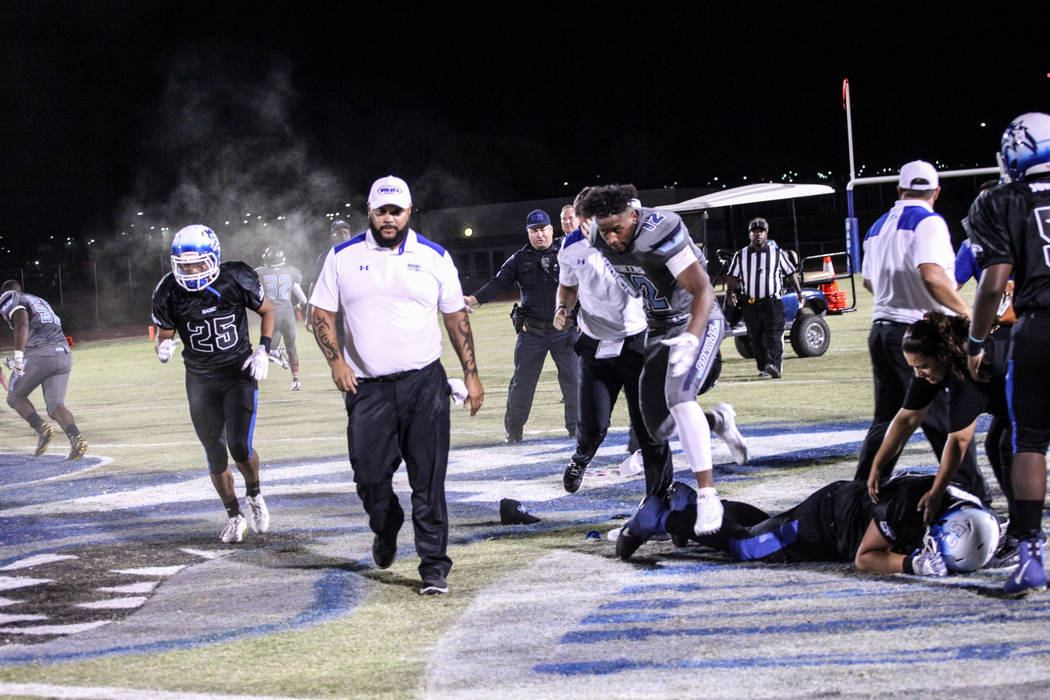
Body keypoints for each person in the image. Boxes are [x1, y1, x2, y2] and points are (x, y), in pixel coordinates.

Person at [310, 175, 483, 596]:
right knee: (369, 477)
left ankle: (433, 566)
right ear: (369, 212)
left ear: (409, 212)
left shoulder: (434, 256)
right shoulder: (342, 257)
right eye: (381, 211)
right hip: (367, 388)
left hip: (424, 384)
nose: (389, 218)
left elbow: (456, 317)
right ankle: (386, 524)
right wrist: (336, 362)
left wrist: (472, 373)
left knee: (428, 479)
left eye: (396, 211)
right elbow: (320, 313)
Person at [556, 194, 748, 495]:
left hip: (639, 336)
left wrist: (689, 333)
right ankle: (582, 458)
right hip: (597, 342)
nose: (601, 232)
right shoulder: (574, 245)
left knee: (652, 427)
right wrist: (563, 309)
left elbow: (696, 285)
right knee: (596, 422)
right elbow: (568, 285)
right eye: (589, 224)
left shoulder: (637, 236)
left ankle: (664, 495)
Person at [576, 184, 727, 543]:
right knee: (656, 429)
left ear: (633, 215)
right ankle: (716, 421)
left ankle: (708, 496)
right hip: (658, 327)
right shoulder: (597, 235)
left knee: (679, 396)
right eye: (605, 230)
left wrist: (692, 337)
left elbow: (703, 290)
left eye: (618, 229)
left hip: (696, 319)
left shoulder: (661, 230)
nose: (612, 238)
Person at [855, 160, 987, 503]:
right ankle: (974, 499)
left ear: (900, 190)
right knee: (946, 420)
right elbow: (932, 275)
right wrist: (966, 314)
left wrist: (896, 297)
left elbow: (868, 281)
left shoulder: (877, 226)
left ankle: (858, 498)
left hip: (881, 330)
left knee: (887, 420)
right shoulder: (929, 221)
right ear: (936, 192)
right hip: (918, 336)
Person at [966, 111, 1050, 596]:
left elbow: (994, 282)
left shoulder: (1000, 200)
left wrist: (976, 341)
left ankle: (1031, 558)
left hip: (1040, 329)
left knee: (1029, 442)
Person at [616, 474, 998, 579]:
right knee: (749, 546)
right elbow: (866, 557)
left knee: (766, 528)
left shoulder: (975, 515)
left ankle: (689, 503)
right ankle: (660, 517)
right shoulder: (904, 508)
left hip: (844, 508)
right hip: (829, 521)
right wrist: (910, 564)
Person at [151, 224, 276, 544]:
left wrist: (263, 349)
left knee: (240, 446)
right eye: (185, 266)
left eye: (198, 264)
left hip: (238, 374)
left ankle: (254, 494)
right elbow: (164, 334)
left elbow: (267, 311)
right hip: (200, 380)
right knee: (215, 453)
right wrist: (162, 347)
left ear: (213, 258)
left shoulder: (235, 277)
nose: (192, 271)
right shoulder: (168, 290)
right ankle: (234, 515)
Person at [865, 313, 1018, 569]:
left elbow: (959, 441)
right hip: (1015, 395)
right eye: (913, 367)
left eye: (922, 366)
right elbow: (906, 419)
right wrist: (878, 465)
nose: (918, 374)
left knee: (1008, 449)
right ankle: (1021, 525)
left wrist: (936, 492)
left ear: (943, 356)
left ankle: (1023, 534)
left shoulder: (966, 372)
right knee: (996, 446)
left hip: (1038, 383)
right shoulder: (934, 367)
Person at [465, 209, 577, 443]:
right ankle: (514, 430)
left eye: (543, 229)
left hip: (564, 331)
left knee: (574, 381)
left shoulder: (568, 250)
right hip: (532, 333)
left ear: (551, 229)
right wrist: (473, 299)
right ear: (528, 233)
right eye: (534, 231)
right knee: (522, 384)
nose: (539, 235)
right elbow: (498, 283)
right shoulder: (519, 259)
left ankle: (576, 430)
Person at [0, 280, 87, 460]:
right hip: (63, 353)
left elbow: (22, 323)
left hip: (41, 353)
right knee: (55, 405)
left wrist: (18, 357)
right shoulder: (38, 300)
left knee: (14, 396)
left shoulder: (9, 297)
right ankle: (77, 439)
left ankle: (42, 429)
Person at [725, 217, 805, 378]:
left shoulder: (777, 253)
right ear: (750, 234)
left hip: (772, 301)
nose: (758, 234)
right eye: (754, 231)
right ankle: (764, 367)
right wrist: (730, 293)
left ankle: (775, 366)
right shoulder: (741, 255)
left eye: (761, 231)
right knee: (755, 337)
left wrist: (799, 291)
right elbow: (732, 276)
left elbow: (790, 273)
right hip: (751, 302)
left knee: (774, 335)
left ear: (766, 233)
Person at [255, 246, 308, 390]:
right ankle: (296, 381)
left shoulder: (261, 273)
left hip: (271, 315)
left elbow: (256, 295)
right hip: (288, 315)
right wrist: (297, 307)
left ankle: (275, 352)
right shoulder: (291, 272)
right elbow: (303, 300)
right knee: (291, 347)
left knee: (268, 349)